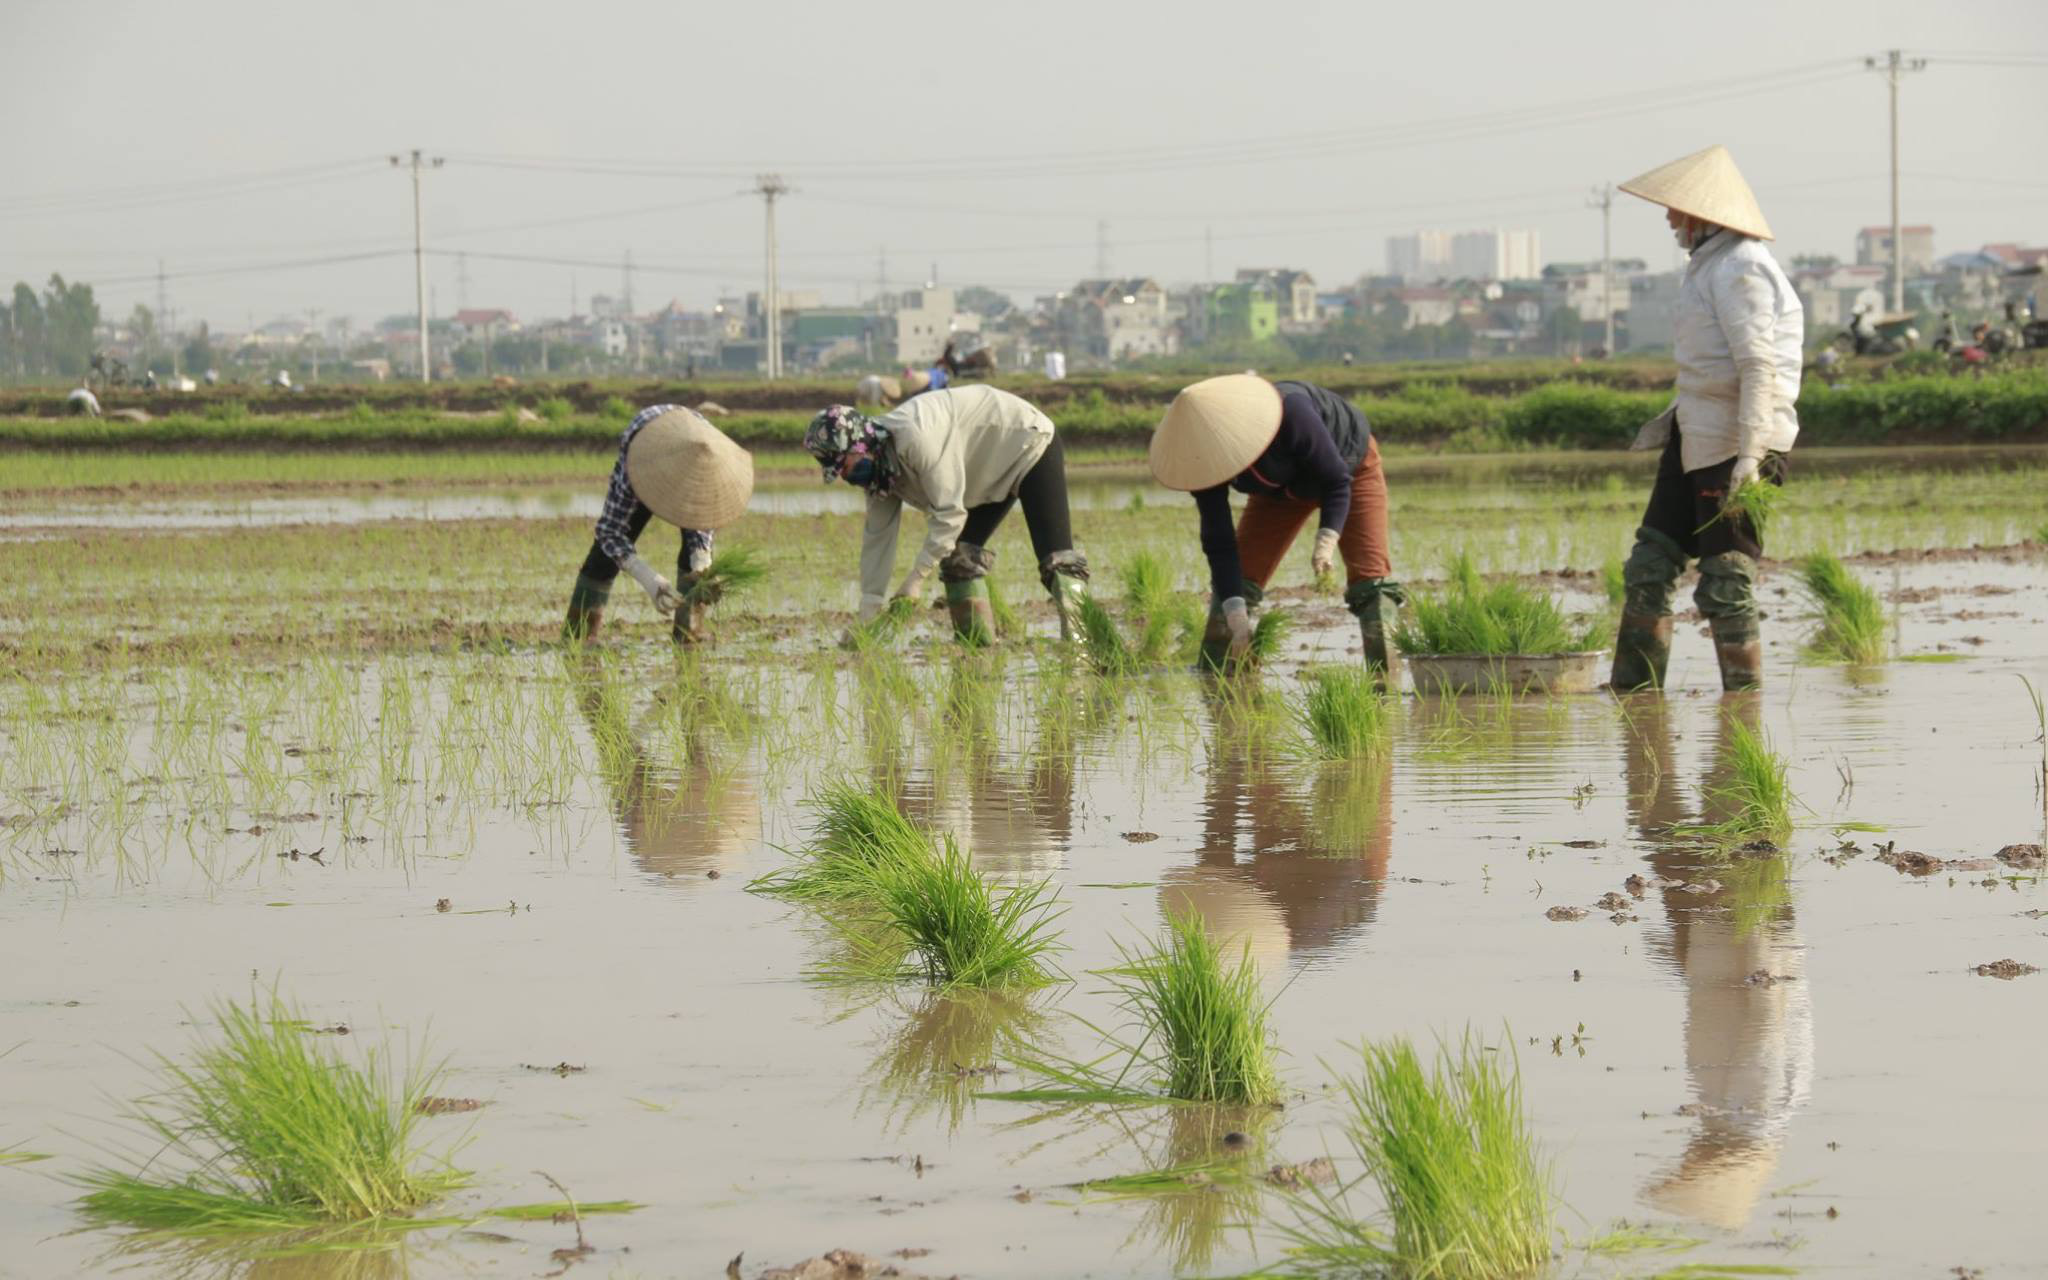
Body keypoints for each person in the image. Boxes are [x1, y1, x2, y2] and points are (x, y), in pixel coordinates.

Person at [1610, 145, 1802, 693]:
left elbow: (1758, 365)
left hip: (1739, 439)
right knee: (1649, 565)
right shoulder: (1710, 263)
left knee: (1725, 579)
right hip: (1694, 430)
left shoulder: (1743, 267)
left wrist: (1749, 456)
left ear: (1702, 213)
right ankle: (1634, 699)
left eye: (1675, 209)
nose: (1669, 218)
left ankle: (1742, 708)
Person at [1147, 373, 1401, 677]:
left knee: (1370, 583)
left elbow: (1335, 481)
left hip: (1348, 469)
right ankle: (1218, 681)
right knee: (1236, 585)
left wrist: (1327, 538)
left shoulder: (1292, 412)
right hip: (1278, 493)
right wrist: (1235, 615)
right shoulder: (1205, 462)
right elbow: (1219, 540)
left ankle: (1386, 681)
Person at [803, 384, 1090, 646]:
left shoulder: (915, 438)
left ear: (860, 444)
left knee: (1058, 565)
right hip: (982, 471)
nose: (843, 475)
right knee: (959, 560)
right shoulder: (879, 475)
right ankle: (977, 652)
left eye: (843, 465)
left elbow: (950, 514)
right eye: (836, 471)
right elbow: (877, 540)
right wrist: (868, 613)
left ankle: (1082, 648)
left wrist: (916, 579)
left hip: (1025, 441)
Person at [562, 404, 754, 645]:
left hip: (694, 452)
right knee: (605, 552)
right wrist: (650, 580)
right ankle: (579, 634)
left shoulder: (711, 467)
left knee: (694, 557)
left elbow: (704, 520)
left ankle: (688, 632)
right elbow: (609, 532)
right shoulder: (639, 460)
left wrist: (702, 561)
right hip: (650, 448)